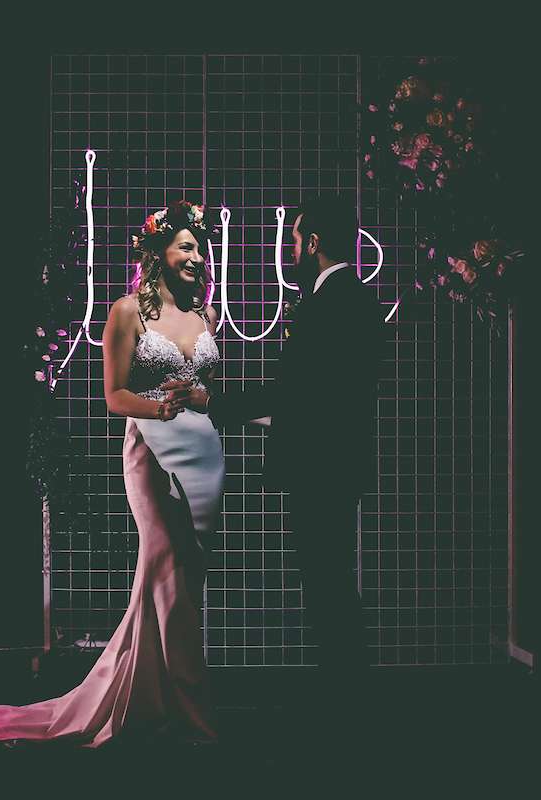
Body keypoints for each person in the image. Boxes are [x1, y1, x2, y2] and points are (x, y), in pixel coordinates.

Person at [0, 200, 223, 748]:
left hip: (202, 456)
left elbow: (210, 391)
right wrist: (160, 408)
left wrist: (200, 398)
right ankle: (195, 716)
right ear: (159, 251)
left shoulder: (205, 316)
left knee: (178, 580)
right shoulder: (126, 312)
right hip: (149, 450)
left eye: (201, 248)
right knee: (168, 574)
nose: (197, 256)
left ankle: (145, 701)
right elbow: (114, 395)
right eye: (186, 246)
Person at [205, 196, 387, 746]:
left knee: (327, 582)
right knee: (330, 580)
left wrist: (219, 405)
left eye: (294, 240)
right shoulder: (353, 298)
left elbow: (301, 397)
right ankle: (346, 697)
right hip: (334, 463)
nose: (290, 250)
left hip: (322, 467)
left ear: (313, 243)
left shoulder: (333, 303)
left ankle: (346, 702)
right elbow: (311, 396)